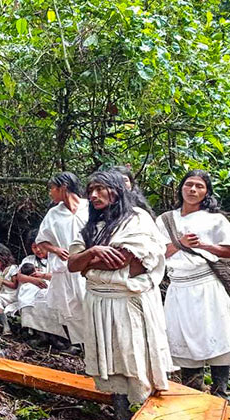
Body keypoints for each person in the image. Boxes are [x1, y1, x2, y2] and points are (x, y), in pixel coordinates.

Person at [68, 171, 173, 419]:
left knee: (132, 354)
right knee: (109, 358)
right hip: (99, 302)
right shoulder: (91, 227)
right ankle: (120, 412)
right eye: (90, 190)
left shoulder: (137, 219)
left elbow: (125, 261)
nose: (93, 195)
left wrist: (87, 264)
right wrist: (93, 251)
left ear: (116, 190)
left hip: (127, 301)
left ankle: (146, 410)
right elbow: (72, 264)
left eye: (100, 189)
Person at [155, 169, 230, 398]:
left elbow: (228, 251)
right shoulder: (165, 220)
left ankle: (220, 394)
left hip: (209, 287)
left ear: (206, 191)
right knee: (184, 338)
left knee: (219, 335)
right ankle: (193, 394)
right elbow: (157, 254)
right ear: (181, 188)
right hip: (179, 288)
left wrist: (204, 246)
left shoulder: (215, 219)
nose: (193, 190)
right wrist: (180, 243)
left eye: (199, 186)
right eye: (189, 185)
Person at [35, 172, 89, 347]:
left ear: (63, 188)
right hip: (64, 270)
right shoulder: (53, 213)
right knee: (70, 309)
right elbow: (41, 240)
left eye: (52, 188)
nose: (50, 192)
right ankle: (81, 347)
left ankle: (96, 347)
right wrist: (55, 249)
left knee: (90, 306)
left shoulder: (88, 208)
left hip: (88, 267)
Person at [13, 229, 68, 348]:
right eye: (34, 247)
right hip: (33, 291)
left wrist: (43, 276)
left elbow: (64, 276)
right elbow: (19, 276)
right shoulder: (29, 260)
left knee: (49, 300)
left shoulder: (56, 259)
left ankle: (56, 337)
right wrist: (34, 280)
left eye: (40, 247)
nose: (37, 250)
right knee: (28, 293)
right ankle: (39, 334)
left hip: (52, 290)